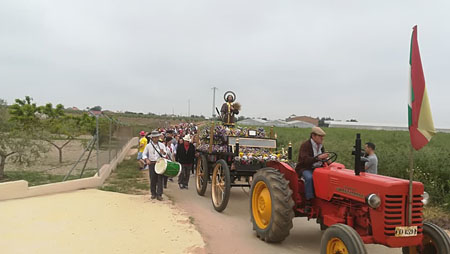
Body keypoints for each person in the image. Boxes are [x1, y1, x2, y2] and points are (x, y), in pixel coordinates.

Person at [295, 127, 329, 208]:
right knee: (310, 177)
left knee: (328, 176)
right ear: (313, 136)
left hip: (318, 168)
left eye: (322, 136)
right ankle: (309, 200)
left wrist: (327, 160)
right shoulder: (305, 145)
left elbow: (323, 156)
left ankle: (325, 197)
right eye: (320, 136)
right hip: (305, 168)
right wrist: (318, 158)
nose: (322, 138)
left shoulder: (321, 146)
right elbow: (305, 160)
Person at [142, 130, 167, 201]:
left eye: (157, 137)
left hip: (160, 163)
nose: (156, 139)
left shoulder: (162, 145)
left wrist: (163, 152)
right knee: (153, 178)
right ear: (152, 138)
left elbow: (165, 154)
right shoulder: (148, 146)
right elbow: (144, 154)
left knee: (160, 179)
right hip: (152, 163)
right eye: (154, 137)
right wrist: (146, 159)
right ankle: (153, 193)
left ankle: (159, 194)